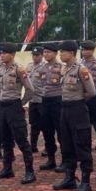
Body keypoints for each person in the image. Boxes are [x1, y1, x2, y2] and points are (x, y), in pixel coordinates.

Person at [53, 40, 96, 191]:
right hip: (64, 109)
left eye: (62, 52)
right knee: (66, 144)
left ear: (71, 53)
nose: (60, 55)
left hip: (78, 109)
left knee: (81, 144)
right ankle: (70, 178)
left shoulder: (81, 70)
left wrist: (78, 99)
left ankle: (85, 181)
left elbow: (91, 92)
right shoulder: (64, 68)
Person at [0, 42, 36, 184]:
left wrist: (21, 103)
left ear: (12, 54)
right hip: (2, 106)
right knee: (5, 139)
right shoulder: (1, 69)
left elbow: (30, 89)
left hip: (14, 106)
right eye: (1, 53)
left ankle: (29, 171)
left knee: (21, 139)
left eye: (4, 53)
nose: (2, 55)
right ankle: (7, 169)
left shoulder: (19, 69)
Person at [38, 43, 63, 171]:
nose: (46, 54)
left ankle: (65, 161)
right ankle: (51, 159)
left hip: (58, 101)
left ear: (55, 53)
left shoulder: (62, 67)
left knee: (61, 132)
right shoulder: (42, 67)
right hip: (45, 101)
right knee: (47, 132)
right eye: (44, 52)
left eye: (48, 52)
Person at [80, 40, 96, 157]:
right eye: (83, 49)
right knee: (85, 124)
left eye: (87, 49)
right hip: (84, 96)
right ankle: (86, 149)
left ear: (93, 50)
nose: (85, 52)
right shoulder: (79, 64)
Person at [27, 46, 45, 153]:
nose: (35, 57)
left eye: (37, 55)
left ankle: (48, 147)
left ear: (42, 56)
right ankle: (33, 146)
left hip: (42, 100)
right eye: (33, 55)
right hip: (32, 100)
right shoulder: (29, 66)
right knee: (33, 125)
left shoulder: (45, 67)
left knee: (46, 125)